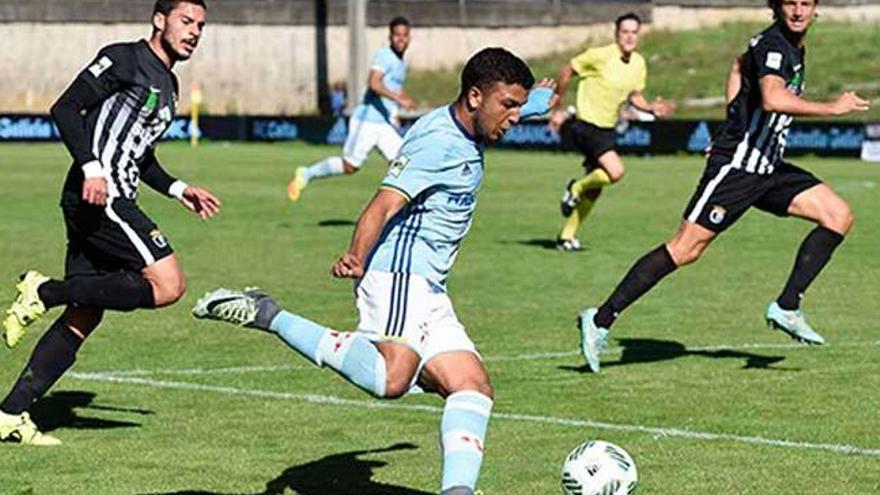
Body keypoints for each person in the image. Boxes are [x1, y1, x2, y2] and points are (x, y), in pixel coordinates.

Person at [194, 48, 556, 495]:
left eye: (519, 107)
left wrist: (532, 103)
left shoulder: (474, 124)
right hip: (397, 275)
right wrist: (356, 256)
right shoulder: (436, 141)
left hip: (430, 286)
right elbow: (383, 202)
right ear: (476, 97)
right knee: (391, 380)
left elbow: (509, 111)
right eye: (509, 105)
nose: (515, 117)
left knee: (473, 387)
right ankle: (267, 313)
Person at [576, 0, 870, 373]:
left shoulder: (789, 45)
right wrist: (832, 108)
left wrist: (731, 119)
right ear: (777, 7)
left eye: (805, 3)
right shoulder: (774, 44)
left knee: (838, 215)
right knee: (685, 249)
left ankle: (787, 305)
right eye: (790, 3)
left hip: (769, 165)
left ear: (815, 8)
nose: (798, 11)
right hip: (737, 169)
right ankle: (599, 319)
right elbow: (773, 97)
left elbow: (736, 66)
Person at [0, 0, 220, 445]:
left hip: (104, 195)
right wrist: (91, 167)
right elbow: (65, 108)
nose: (194, 31)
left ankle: (9, 415)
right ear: (160, 19)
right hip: (103, 197)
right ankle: (44, 290)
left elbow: (142, 155)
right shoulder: (124, 58)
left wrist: (179, 189)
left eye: (200, 25)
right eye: (185, 21)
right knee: (168, 285)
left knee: (83, 316)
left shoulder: (170, 83)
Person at [548, 12, 676, 251]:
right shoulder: (599, 56)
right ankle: (575, 187)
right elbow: (567, 71)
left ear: (639, 35)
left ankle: (566, 236)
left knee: (595, 189)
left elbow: (634, 96)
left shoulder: (638, 63)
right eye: (624, 31)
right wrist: (558, 108)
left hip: (607, 128)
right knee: (616, 172)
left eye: (634, 32)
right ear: (617, 34)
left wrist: (651, 108)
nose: (629, 36)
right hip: (586, 125)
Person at [287, 16, 416, 202]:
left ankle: (400, 208)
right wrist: (400, 100)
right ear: (390, 37)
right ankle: (306, 174)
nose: (401, 39)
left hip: (384, 123)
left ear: (409, 37)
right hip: (367, 121)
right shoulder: (384, 56)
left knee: (402, 162)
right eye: (397, 35)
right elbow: (373, 83)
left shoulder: (401, 62)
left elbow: (394, 86)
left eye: (404, 35)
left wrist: (394, 112)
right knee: (350, 166)